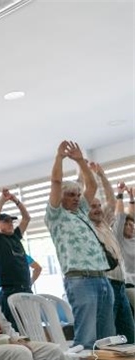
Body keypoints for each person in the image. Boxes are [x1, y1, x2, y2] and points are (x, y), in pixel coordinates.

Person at [44, 140, 115, 349]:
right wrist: (59, 157)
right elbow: (56, 182)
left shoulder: (82, 211)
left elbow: (91, 185)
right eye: (70, 195)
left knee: (107, 339)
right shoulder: (55, 215)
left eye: (77, 195)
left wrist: (80, 161)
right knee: (86, 339)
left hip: (102, 278)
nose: (76, 198)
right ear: (60, 198)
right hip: (80, 279)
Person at [0, 250, 68, 360]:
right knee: (21, 352)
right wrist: (8, 340)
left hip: (3, 342)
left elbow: (4, 324)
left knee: (53, 350)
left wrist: (18, 339)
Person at [88, 163, 134, 344]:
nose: (98, 209)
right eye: (93, 206)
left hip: (120, 285)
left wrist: (102, 174)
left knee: (129, 335)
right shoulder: (89, 227)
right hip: (106, 284)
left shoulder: (105, 225)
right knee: (110, 336)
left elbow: (111, 200)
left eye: (99, 206)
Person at [0, 188, 31, 331]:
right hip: (9, 290)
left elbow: (26, 218)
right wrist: (2, 200)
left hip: (26, 288)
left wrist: (15, 200)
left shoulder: (16, 237)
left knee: (29, 327)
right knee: (14, 329)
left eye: (11, 221)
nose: (10, 223)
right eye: (6, 221)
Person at [114, 183, 135, 313]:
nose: (131, 226)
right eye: (127, 225)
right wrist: (120, 195)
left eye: (132, 224)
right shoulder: (119, 239)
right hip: (130, 284)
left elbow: (132, 214)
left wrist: (131, 198)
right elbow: (120, 217)